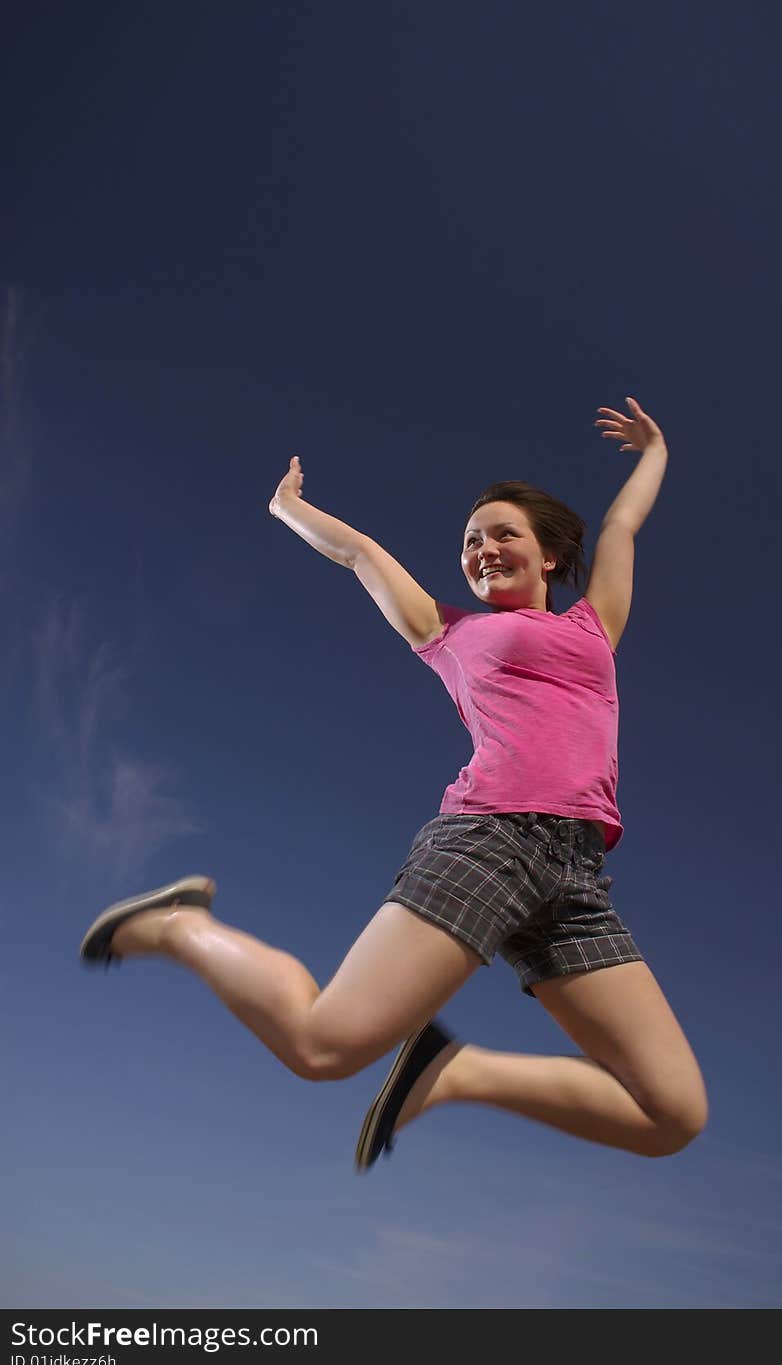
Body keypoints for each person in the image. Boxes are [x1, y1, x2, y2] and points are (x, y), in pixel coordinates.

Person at [80, 396, 708, 1171]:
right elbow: (360, 555)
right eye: (470, 541)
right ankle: (181, 924)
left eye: (502, 533)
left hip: (578, 879)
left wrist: (656, 452)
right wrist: (287, 507)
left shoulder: (592, 624)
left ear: (549, 555)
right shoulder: (448, 632)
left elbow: (619, 528)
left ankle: (456, 1071)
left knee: (671, 1112)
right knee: (321, 1046)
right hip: (491, 841)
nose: (481, 549)